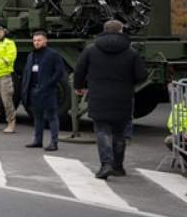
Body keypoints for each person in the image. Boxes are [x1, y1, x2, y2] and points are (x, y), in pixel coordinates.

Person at [73, 20, 147, 179]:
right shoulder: (131, 52)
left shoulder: (91, 50)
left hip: (99, 96)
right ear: (121, 31)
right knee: (119, 132)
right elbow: (141, 75)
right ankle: (118, 167)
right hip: (123, 97)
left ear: (104, 30)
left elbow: (79, 70)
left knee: (102, 130)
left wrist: (78, 86)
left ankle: (106, 164)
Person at [21, 31, 65, 151]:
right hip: (34, 90)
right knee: (37, 116)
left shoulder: (53, 54)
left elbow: (59, 72)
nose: (36, 43)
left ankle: (54, 142)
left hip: (48, 91)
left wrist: (49, 84)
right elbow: (26, 73)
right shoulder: (31, 55)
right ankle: (37, 140)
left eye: (39, 40)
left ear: (45, 41)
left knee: (52, 117)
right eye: (34, 40)